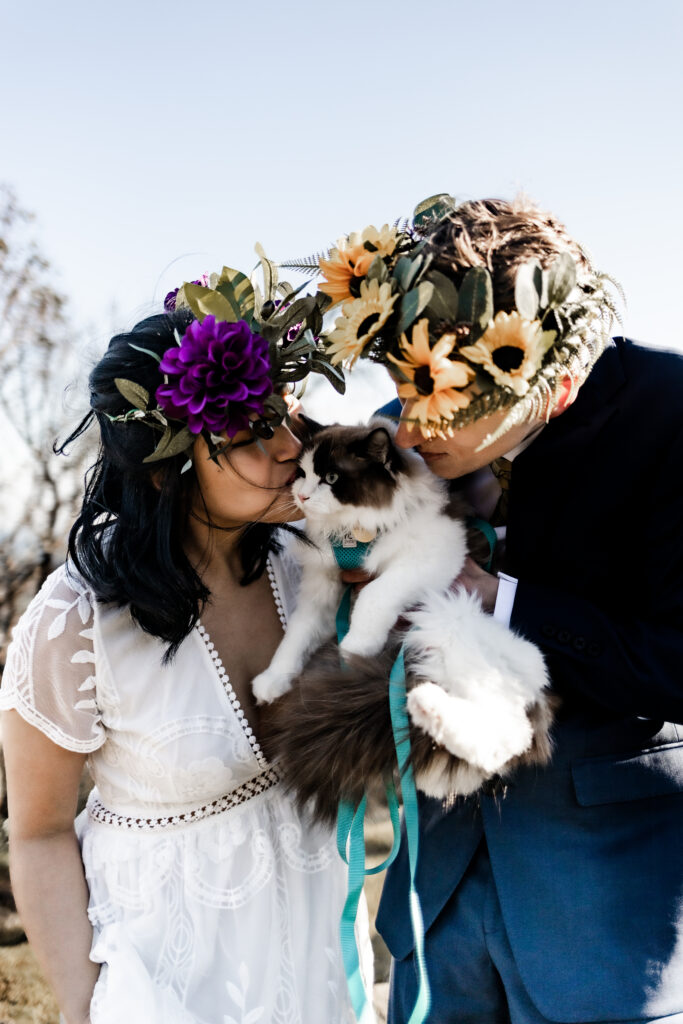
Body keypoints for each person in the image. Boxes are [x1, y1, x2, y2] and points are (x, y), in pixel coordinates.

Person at [318, 197, 683, 1023]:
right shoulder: (394, 439)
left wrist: (500, 600)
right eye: (398, 383)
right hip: (433, 902)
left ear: (536, 368)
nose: (405, 425)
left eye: (433, 390)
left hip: (605, 911)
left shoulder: (672, 413)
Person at [0, 270, 372, 1024]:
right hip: (169, 980)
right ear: (168, 469)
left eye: (287, 418)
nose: (290, 448)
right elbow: (37, 832)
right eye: (251, 435)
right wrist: (82, 1001)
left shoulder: (313, 564)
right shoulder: (76, 621)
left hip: (324, 959)